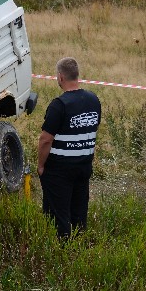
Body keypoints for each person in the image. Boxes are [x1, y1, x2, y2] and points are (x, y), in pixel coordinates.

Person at [37, 57, 101, 240]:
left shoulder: (59, 105)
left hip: (60, 169)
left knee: (58, 213)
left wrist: (41, 165)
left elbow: (45, 140)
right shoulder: (93, 100)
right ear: (76, 75)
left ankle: (63, 249)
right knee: (79, 210)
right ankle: (79, 245)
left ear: (60, 77)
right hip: (84, 165)